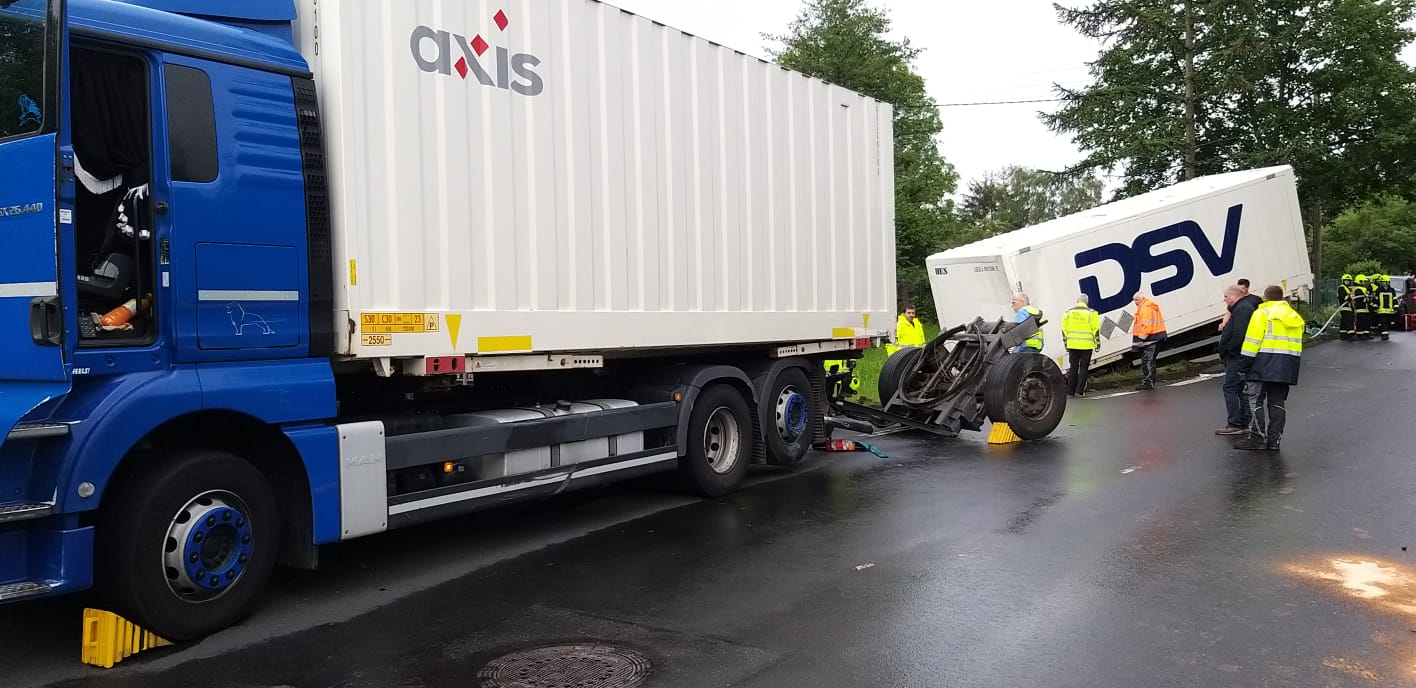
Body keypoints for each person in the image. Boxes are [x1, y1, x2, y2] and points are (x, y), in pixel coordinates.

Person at [1233, 285, 1304, 451]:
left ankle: (1257, 438)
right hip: (1287, 366)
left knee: (1254, 400)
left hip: (1262, 364)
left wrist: (1244, 366)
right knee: (1277, 403)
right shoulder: (1295, 316)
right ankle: (1274, 440)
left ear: (1265, 298)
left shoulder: (1262, 314)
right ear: (1282, 298)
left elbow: (1252, 342)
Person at [1216, 285, 1262, 435]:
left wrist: (1230, 351)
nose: (1224, 300)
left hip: (1237, 357)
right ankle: (1243, 422)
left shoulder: (1242, 309)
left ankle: (1235, 423)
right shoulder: (1243, 307)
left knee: (1231, 388)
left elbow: (1238, 333)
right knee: (1240, 389)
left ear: (1234, 296)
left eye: (1226, 297)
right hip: (1240, 356)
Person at [1061, 294, 1101, 396]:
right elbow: (1095, 330)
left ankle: (1070, 392)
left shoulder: (1068, 313)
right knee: (1083, 367)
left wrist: (1066, 344)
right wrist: (1097, 344)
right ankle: (1079, 391)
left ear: (1077, 301)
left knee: (1073, 367)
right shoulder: (1092, 313)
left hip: (1073, 344)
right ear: (1086, 302)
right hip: (1086, 345)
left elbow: (1064, 330)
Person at [1131, 292, 1167, 390]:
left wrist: (1141, 339)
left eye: (1136, 300)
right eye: (1134, 300)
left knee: (1147, 360)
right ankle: (1148, 381)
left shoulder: (1145, 308)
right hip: (1155, 337)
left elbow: (1146, 326)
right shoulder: (1147, 307)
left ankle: (1148, 382)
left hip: (1152, 339)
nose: (1135, 302)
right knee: (1148, 360)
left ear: (1142, 299)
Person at [1374, 273, 1396, 341]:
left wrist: (1395, 307)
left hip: (1389, 310)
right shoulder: (1378, 290)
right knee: (1383, 322)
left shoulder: (1392, 290)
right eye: (1382, 282)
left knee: (1388, 323)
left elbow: (1394, 299)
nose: (1382, 283)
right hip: (1381, 310)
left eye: (1384, 282)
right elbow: (1376, 299)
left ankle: (1385, 333)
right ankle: (1384, 335)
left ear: (1388, 282)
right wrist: (1375, 307)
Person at [1353, 274, 1373, 340]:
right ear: (1360, 281)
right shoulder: (1358, 289)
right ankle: (1360, 334)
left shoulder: (1364, 289)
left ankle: (1366, 334)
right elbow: (1360, 298)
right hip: (1360, 309)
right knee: (1361, 322)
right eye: (1364, 281)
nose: (1365, 283)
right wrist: (1367, 298)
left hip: (1366, 308)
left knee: (1367, 322)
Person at [1337, 274, 1355, 341]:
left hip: (1348, 307)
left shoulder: (1347, 288)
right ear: (1343, 281)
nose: (1347, 282)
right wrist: (1348, 297)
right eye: (1346, 281)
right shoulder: (1341, 287)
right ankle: (1351, 335)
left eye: (1348, 281)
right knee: (1349, 320)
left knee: (1344, 322)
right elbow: (1342, 297)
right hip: (1345, 307)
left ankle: (1343, 334)